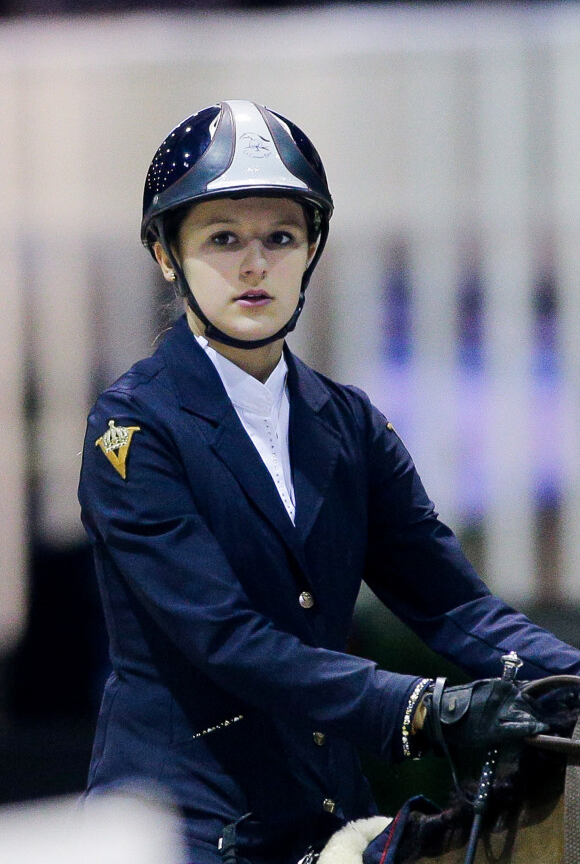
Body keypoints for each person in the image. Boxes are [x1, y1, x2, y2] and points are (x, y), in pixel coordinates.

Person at [78, 100, 580, 864]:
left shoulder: (348, 424)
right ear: (165, 254)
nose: (255, 265)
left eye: (281, 237)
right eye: (223, 240)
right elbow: (228, 638)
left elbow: (453, 606)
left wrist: (568, 676)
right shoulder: (133, 431)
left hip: (327, 818)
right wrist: (419, 705)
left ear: (312, 247)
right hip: (184, 826)